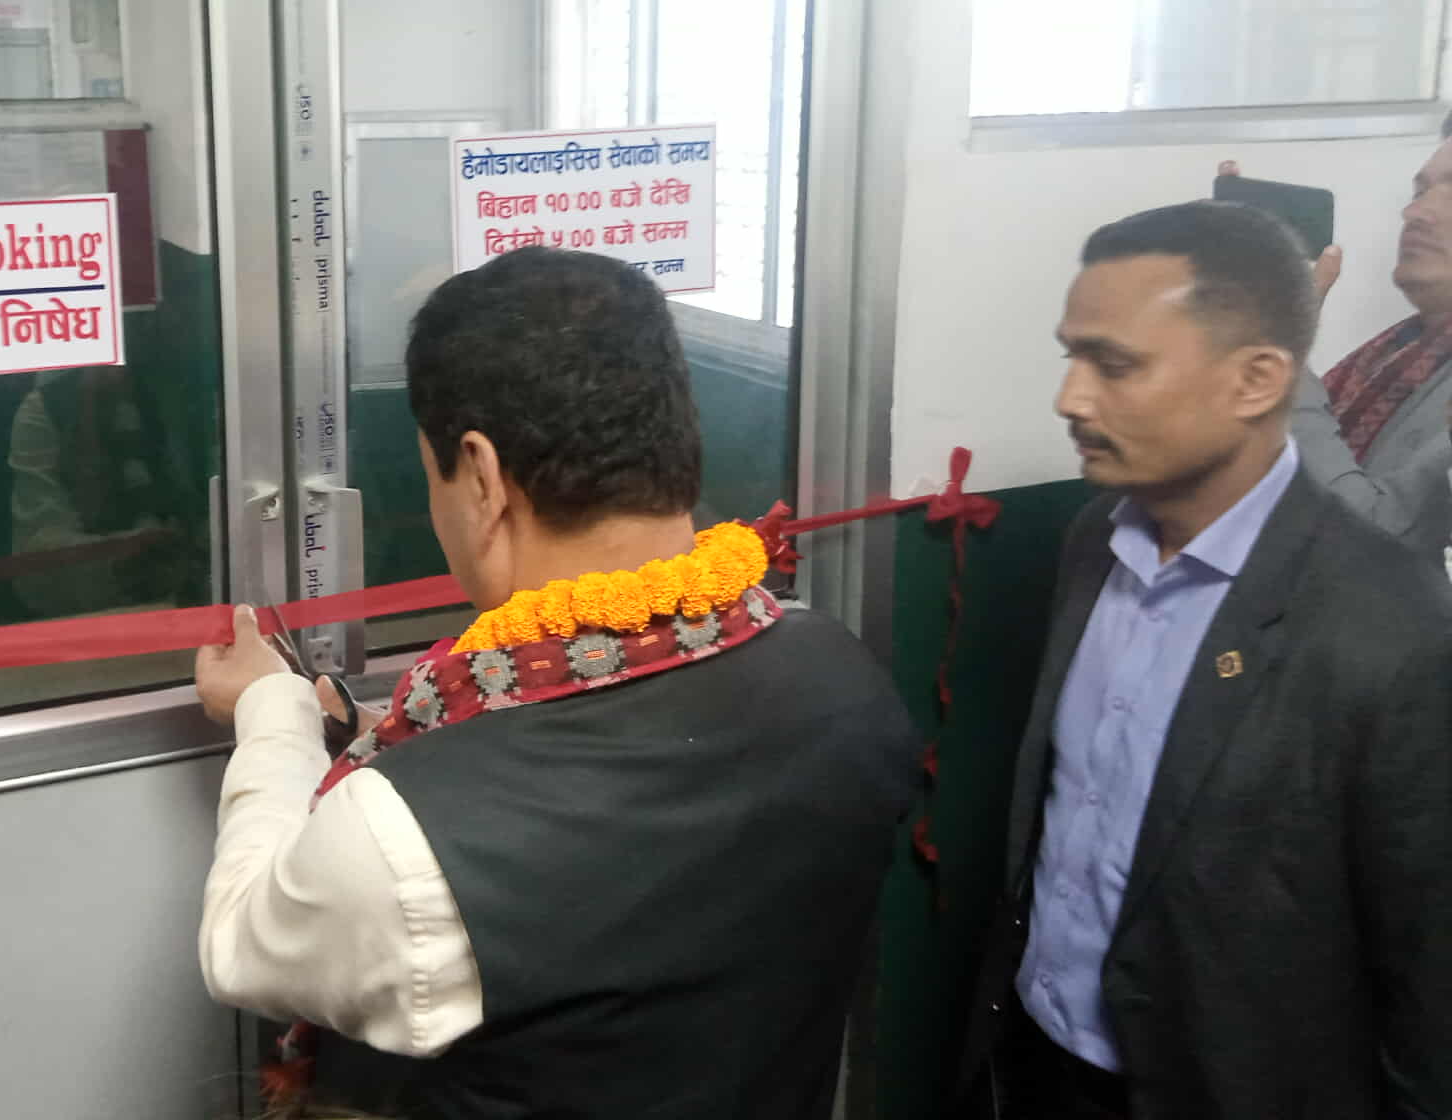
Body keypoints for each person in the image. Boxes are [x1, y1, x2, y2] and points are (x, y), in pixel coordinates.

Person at [193, 247, 918, 1120]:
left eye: (433, 476)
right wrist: (377, 730)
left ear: (481, 476)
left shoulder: (408, 845)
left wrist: (270, 709)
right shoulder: (843, 682)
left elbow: (243, 941)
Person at [962, 202, 1452, 1119]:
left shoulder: (1393, 632)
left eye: (1115, 365)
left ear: (1257, 380)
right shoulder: (1093, 542)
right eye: (1071, 357)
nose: (1071, 398)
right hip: (1037, 1056)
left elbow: (1430, 991)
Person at [1230, 115, 1452, 552]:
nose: (1415, 213)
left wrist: (1281, 352)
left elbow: (1370, 541)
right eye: (1419, 192)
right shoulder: (1398, 353)